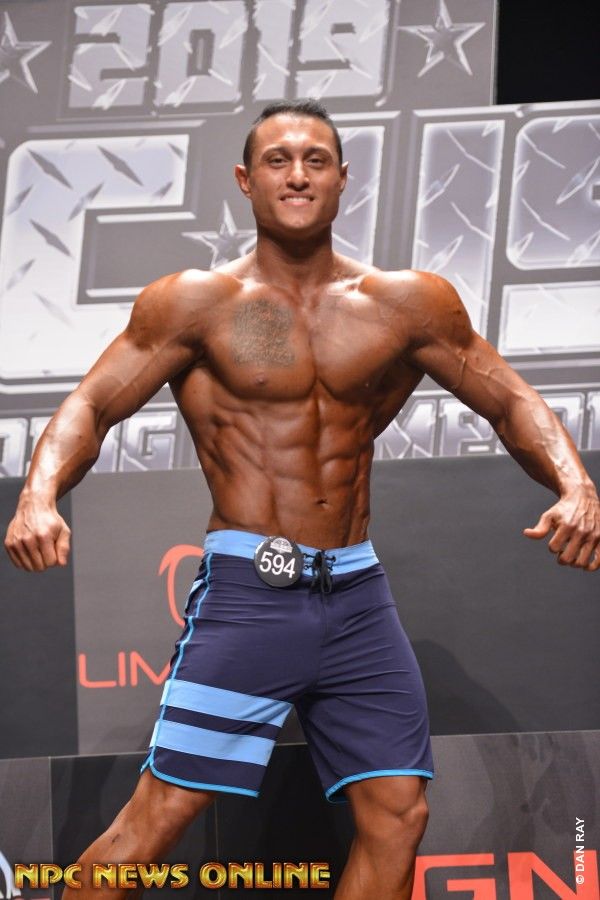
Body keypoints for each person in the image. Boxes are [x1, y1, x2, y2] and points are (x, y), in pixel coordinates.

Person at [4, 99, 600, 899]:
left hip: (356, 596)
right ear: (246, 180)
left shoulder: (407, 302)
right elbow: (92, 404)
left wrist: (575, 484)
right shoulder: (196, 301)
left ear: (343, 179)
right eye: (278, 160)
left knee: (399, 814)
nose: (297, 175)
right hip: (253, 592)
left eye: (315, 160)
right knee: (157, 821)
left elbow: (509, 399)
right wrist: (39, 496)